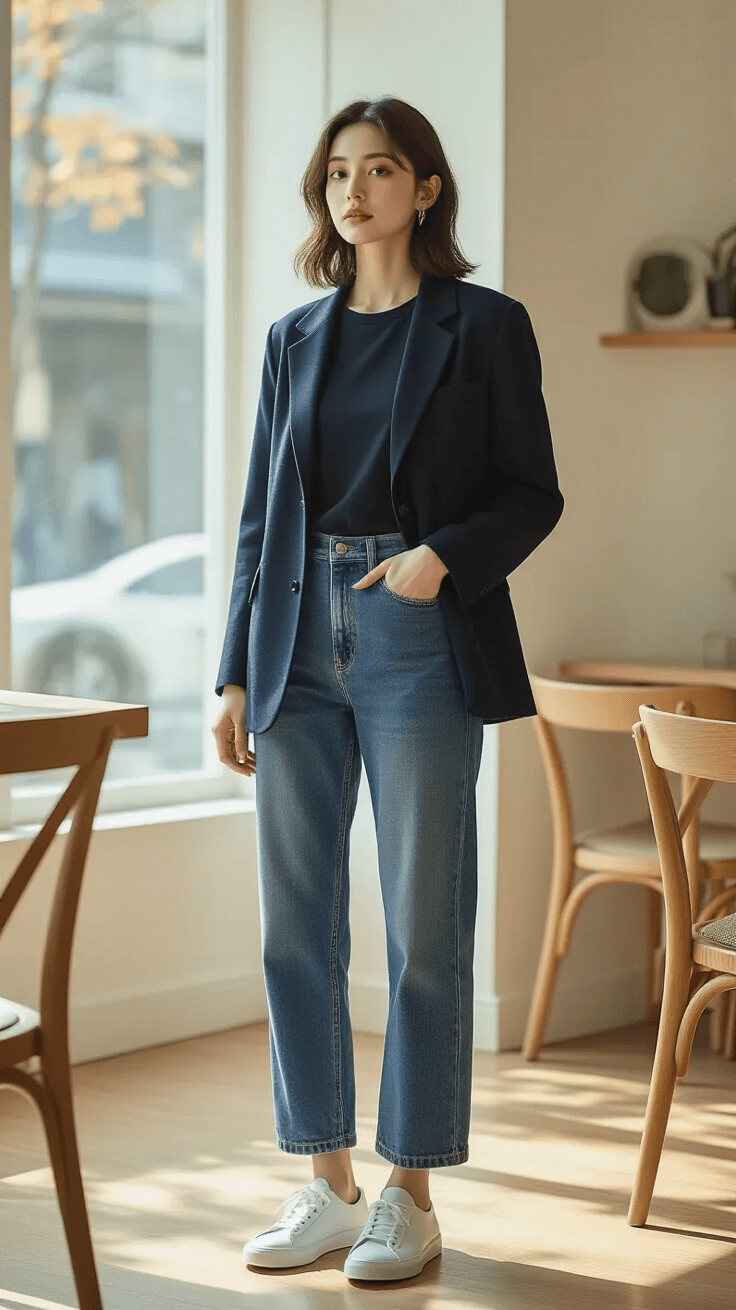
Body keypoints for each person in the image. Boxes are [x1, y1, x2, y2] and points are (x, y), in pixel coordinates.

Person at [211, 96, 563, 1282]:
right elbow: (262, 515)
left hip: (414, 626)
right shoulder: (291, 340)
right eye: (336, 174)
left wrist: (444, 557)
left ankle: (408, 1193)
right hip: (293, 637)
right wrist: (230, 671)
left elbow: (532, 492)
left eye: (380, 171)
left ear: (424, 190)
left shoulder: (485, 328)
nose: (352, 192)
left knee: (422, 924)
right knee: (293, 928)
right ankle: (323, 1178)